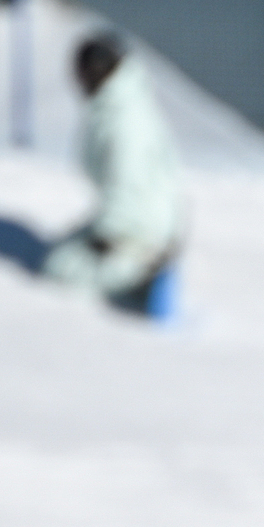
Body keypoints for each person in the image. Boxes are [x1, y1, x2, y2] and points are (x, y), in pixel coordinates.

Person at [43, 33, 185, 316]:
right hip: (149, 220)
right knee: (66, 249)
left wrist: (111, 235)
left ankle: (140, 276)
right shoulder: (120, 104)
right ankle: (137, 267)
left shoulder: (125, 122)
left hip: (140, 231)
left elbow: (129, 182)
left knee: (59, 269)